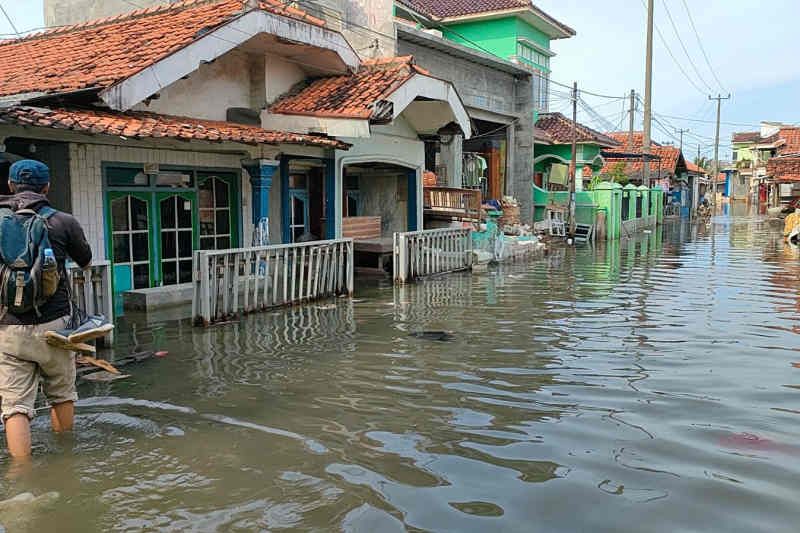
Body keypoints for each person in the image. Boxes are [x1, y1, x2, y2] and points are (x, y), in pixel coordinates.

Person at [0, 160, 92, 459]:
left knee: (15, 405)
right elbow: (86, 261)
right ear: (47, 187)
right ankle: (65, 461)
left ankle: (21, 473)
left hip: (8, 325)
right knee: (62, 393)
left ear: (11, 186)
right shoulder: (63, 221)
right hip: (55, 324)